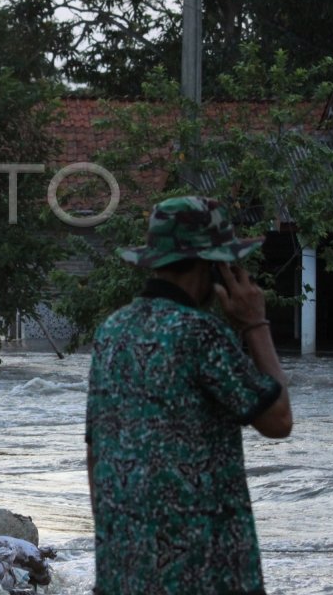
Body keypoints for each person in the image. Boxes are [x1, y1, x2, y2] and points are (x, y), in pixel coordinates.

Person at [85, 195, 292, 595]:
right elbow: (279, 420)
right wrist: (255, 325)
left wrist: (115, 548)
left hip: (123, 567)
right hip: (205, 571)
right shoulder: (200, 333)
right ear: (213, 265)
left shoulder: (112, 331)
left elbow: (96, 452)